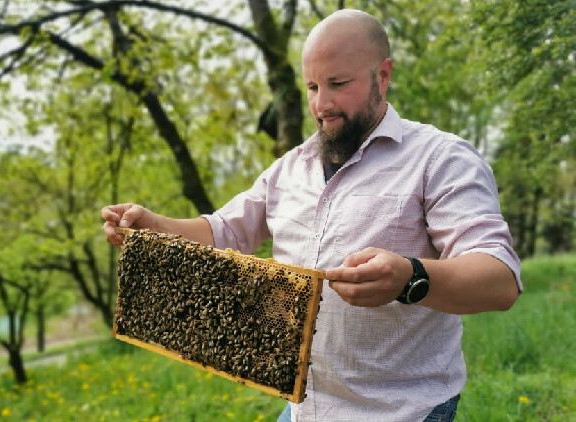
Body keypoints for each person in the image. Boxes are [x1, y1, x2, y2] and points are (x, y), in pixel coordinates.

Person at [102, 8, 521, 422]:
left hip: (402, 410)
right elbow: (226, 230)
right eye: (312, 87)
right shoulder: (289, 168)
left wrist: (409, 277)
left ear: (383, 74)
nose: (322, 104)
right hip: (304, 408)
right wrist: (157, 227)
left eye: (338, 84)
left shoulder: (441, 158)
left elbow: (500, 280)